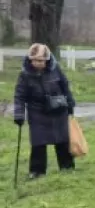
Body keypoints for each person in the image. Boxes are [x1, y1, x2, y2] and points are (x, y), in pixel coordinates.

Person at [12, 43, 77, 178]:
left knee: (62, 140)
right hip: (37, 112)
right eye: (34, 60)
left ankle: (67, 167)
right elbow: (19, 96)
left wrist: (70, 103)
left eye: (40, 60)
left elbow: (65, 85)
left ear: (47, 59)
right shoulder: (25, 75)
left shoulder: (55, 69)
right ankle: (37, 172)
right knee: (38, 142)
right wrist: (19, 114)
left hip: (58, 109)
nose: (37, 63)